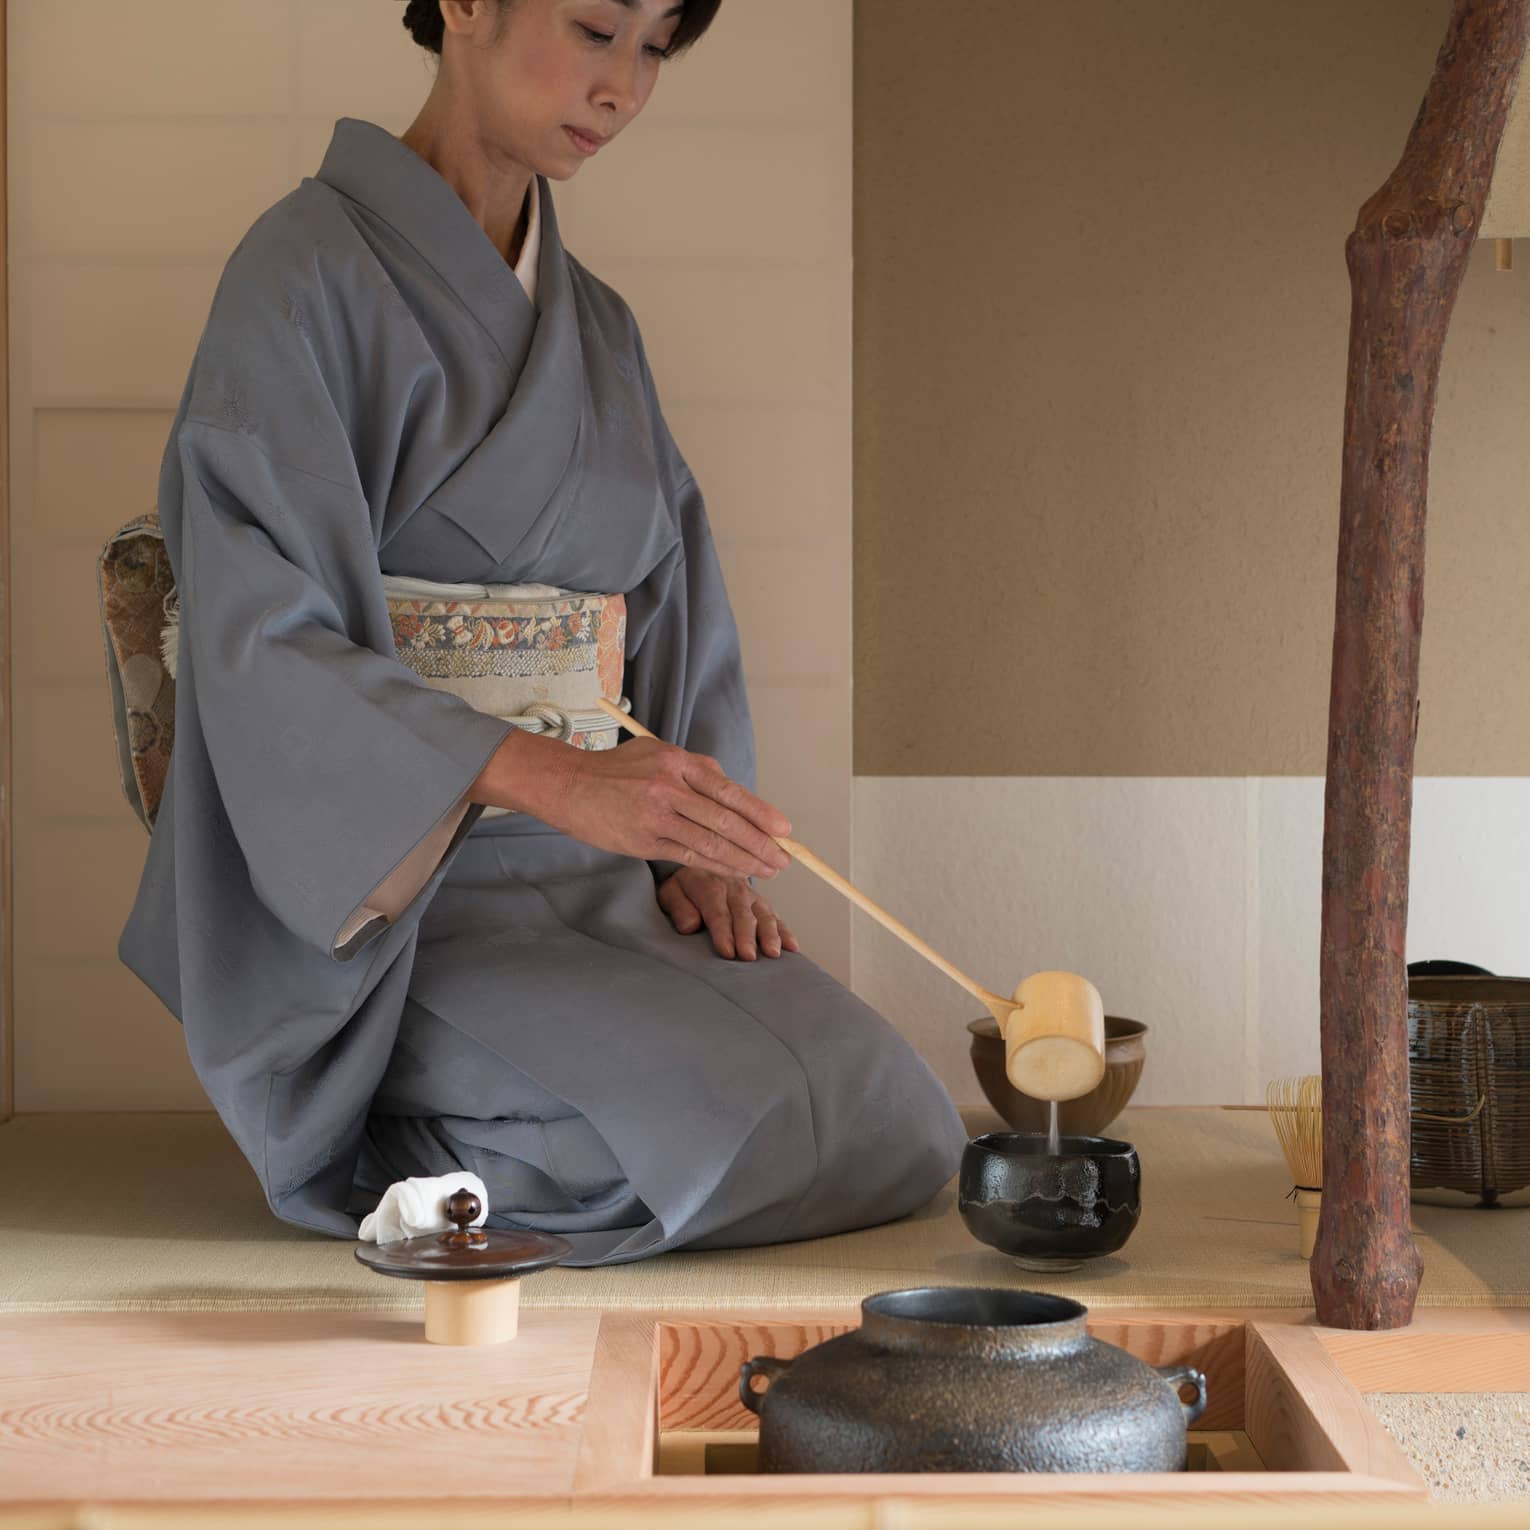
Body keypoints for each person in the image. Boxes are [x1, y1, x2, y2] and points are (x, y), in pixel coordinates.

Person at [119, 0, 966, 1265]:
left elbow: (677, 600)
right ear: (465, 4)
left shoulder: (600, 328)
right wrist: (560, 779)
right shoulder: (296, 275)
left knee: (897, 1116)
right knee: (722, 1127)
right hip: (404, 910)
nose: (622, 84)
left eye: (656, 47)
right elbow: (259, 642)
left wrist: (698, 844)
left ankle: (486, 1132)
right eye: (593, 27)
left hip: (600, 889)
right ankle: (369, 1135)